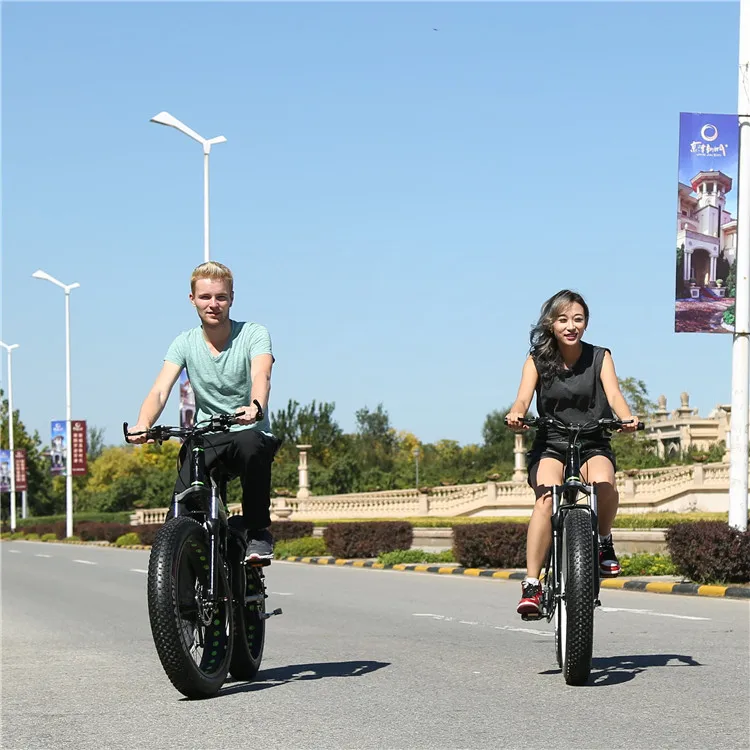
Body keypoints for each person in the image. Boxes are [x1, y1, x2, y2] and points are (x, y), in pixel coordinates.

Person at [127, 261, 280, 561]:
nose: (213, 304)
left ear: (231, 298)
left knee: (250, 442)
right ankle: (179, 570)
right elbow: (160, 390)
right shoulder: (184, 342)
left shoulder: (253, 334)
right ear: (192, 299)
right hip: (207, 436)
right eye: (205, 297)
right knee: (181, 510)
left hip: (246, 431)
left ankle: (257, 531)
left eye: (221, 297)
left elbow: (261, 374)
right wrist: (143, 423)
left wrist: (255, 407)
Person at [505, 289, 639, 617]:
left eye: (578, 319)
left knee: (605, 485)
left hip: (592, 440)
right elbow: (523, 398)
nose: (571, 326)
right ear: (551, 324)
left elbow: (615, 395)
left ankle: (603, 541)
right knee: (546, 499)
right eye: (563, 319)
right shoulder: (536, 359)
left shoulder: (600, 357)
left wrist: (626, 418)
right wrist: (517, 412)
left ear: (586, 323)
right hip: (551, 443)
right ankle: (532, 584)